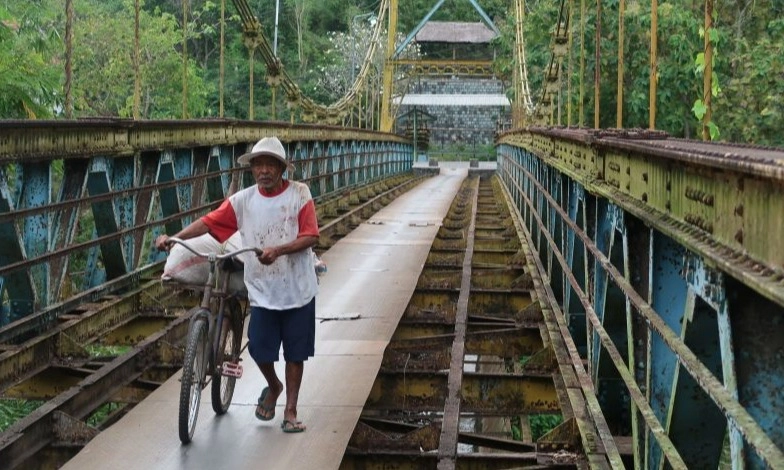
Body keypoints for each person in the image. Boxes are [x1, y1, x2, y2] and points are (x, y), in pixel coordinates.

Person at [155, 136, 319, 433]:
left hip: (297, 287)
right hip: (263, 288)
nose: (264, 171)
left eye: (271, 164)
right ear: (252, 168)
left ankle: (291, 411)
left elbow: (311, 235)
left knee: (295, 353)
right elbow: (209, 222)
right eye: (259, 165)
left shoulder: (299, 194)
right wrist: (175, 237)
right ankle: (274, 385)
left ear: (282, 169)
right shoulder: (243, 201)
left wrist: (278, 250)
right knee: (258, 347)